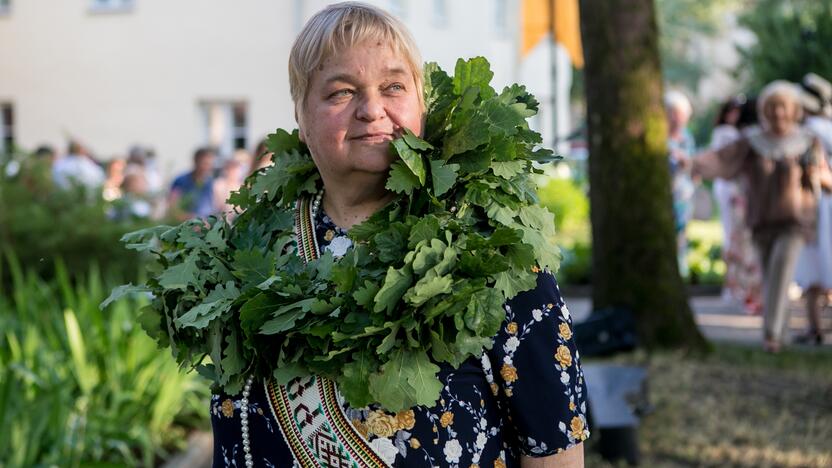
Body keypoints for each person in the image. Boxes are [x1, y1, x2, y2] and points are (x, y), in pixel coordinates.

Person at [210, 3, 588, 467]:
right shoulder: (250, 253)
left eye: (393, 86)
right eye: (341, 92)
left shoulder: (495, 254)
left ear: (421, 106)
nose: (372, 110)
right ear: (301, 117)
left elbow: (553, 447)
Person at [693, 80, 832, 352]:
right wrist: (692, 164)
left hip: (795, 223)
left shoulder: (807, 142)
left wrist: (818, 177)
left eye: (784, 107)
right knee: (770, 279)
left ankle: (770, 336)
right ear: (766, 110)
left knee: (781, 275)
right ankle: (782, 332)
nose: (779, 113)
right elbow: (720, 159)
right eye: (774, 107)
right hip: (760, 222)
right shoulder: (753, 141)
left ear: (793, 110)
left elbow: (826, 176)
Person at [710, 97, 763, 313]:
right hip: (736, 196)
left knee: (741, 242)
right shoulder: (730, 136)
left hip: (742, 196)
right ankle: (740, 288)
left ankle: (743, 289)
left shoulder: (745, 136)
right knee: (738, 241)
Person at [793, 73, 832, 344]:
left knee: (813, 266)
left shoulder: (810, 133)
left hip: (818, 205)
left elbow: (812, 173)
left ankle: (814, 327)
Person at [665, 90, 696, 277]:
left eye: (681, 115)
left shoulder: (687, 138)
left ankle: (679, 274)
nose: (677, 119)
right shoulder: (660, 137)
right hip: (663, 195)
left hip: (683, 196)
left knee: (681, 237)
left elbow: (693, 164)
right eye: (674, 114)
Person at [167, 147, 216, 221]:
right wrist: (188, 218)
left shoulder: (212, 183)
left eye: (210, 164)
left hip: (207, 226)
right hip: (185, 226)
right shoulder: (180, 181)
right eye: (205, 163)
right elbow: (172, 207)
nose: (207, 167)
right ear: (195, 161)